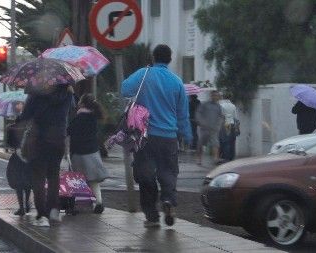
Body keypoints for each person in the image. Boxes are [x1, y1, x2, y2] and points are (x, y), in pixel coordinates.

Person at [121, 44, 192, 227]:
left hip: (145, 136)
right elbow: (183, 114)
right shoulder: (176, 82)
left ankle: (152, 217)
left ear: (153, 58)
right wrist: (187, 135)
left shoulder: (144, 75)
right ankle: (168, 200)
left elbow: (124, 89)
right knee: (168, 172)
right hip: (168, 137)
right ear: (169, 59)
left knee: (146, 175)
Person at [17, 85, 74, 227]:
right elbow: (72, 114)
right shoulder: (67, 93)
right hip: (58, 139)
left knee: (39, 178)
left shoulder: (36, 93)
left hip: (39, 140)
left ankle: (42, 214)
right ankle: (54, 209)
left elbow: (25, 117)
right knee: (54, 175)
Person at [68, 94, 109, 214]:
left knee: (78, 180)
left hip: (79, 153)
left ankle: (79, 206)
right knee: (93, 180)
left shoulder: (78, 118)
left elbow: (68, 132)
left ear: (82, 104)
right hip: (93, 152)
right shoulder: (94, 118)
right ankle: (99, 203)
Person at [196, 90, 224, 165]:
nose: (215, 97)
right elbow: (198, 113)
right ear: (211, 96)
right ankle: (199, 160)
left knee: (216, 144)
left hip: (214, 129)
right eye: (214, 95)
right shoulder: (204, 104)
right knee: (201, 144)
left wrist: (219, 125)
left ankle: (215, 159)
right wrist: (201, 122)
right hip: (204, 128)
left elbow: (220, 116)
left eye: (217, 96)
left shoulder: (218, 107)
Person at [219, 93, 238, 161]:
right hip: (232, 123)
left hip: (225, 124)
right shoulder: (233, 106)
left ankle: (226, 157)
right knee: (232, 141)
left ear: (223, 97)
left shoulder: (221, 105)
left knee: (225, 141)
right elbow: (235, 117)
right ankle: (231, 156)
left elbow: (221, 116)